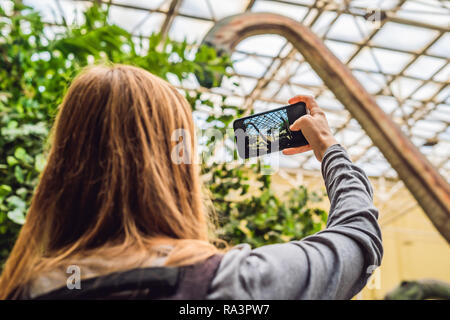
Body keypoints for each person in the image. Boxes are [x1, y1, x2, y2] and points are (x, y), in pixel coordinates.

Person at [0, 64, 382, 300]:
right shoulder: (232, 285)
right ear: (173, 169)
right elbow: (356, 243)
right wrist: (328, 147)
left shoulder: (24, 289)